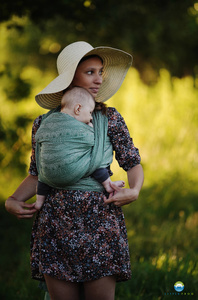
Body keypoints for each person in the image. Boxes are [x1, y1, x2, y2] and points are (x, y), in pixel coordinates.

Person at [5, 41, 144, 300]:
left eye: (100, 72)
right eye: (90, 72)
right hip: (56, 224)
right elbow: (38, 173)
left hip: (99, 221)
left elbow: (132, 162)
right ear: (70, 78)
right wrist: (13, 200)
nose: (99, 79)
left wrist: (134, 190)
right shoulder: (44, 123)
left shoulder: (109, 118)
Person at [35, 86, 125, 210]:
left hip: (48, 176)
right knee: (95, 161)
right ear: (78, 109)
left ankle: (39, 201)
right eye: (89, 113)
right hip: (72, 170)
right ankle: (108, 185)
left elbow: (39, 137)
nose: (91, 118)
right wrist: (91, 127)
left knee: (42, 177)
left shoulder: (48, 120)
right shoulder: (80, 128)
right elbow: (91, 139)